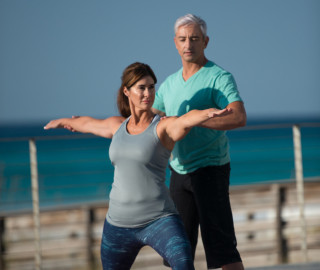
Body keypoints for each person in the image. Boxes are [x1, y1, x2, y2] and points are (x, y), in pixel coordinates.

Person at [44, 62, 231, 270]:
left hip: (159, 220)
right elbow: (88, 124)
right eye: (141, 87)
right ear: (127, 91)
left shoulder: (162, 127)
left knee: (183, 263)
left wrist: (207, 113)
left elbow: (185, 120)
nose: (148, 93)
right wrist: (62, 122)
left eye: (151, 87)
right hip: (117, 225)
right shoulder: (117, 126)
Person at [152, 14, 247, 270]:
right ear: (175, 43)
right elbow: (149, 119)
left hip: (210, 169)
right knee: (177, 251)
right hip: (178, 172)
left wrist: (194, 120)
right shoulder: (169, 84)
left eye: (194, 39)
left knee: (222, 250)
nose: (188, 45)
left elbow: (238, 117)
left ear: (205, 41)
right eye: (182, 39)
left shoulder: (218, 77)